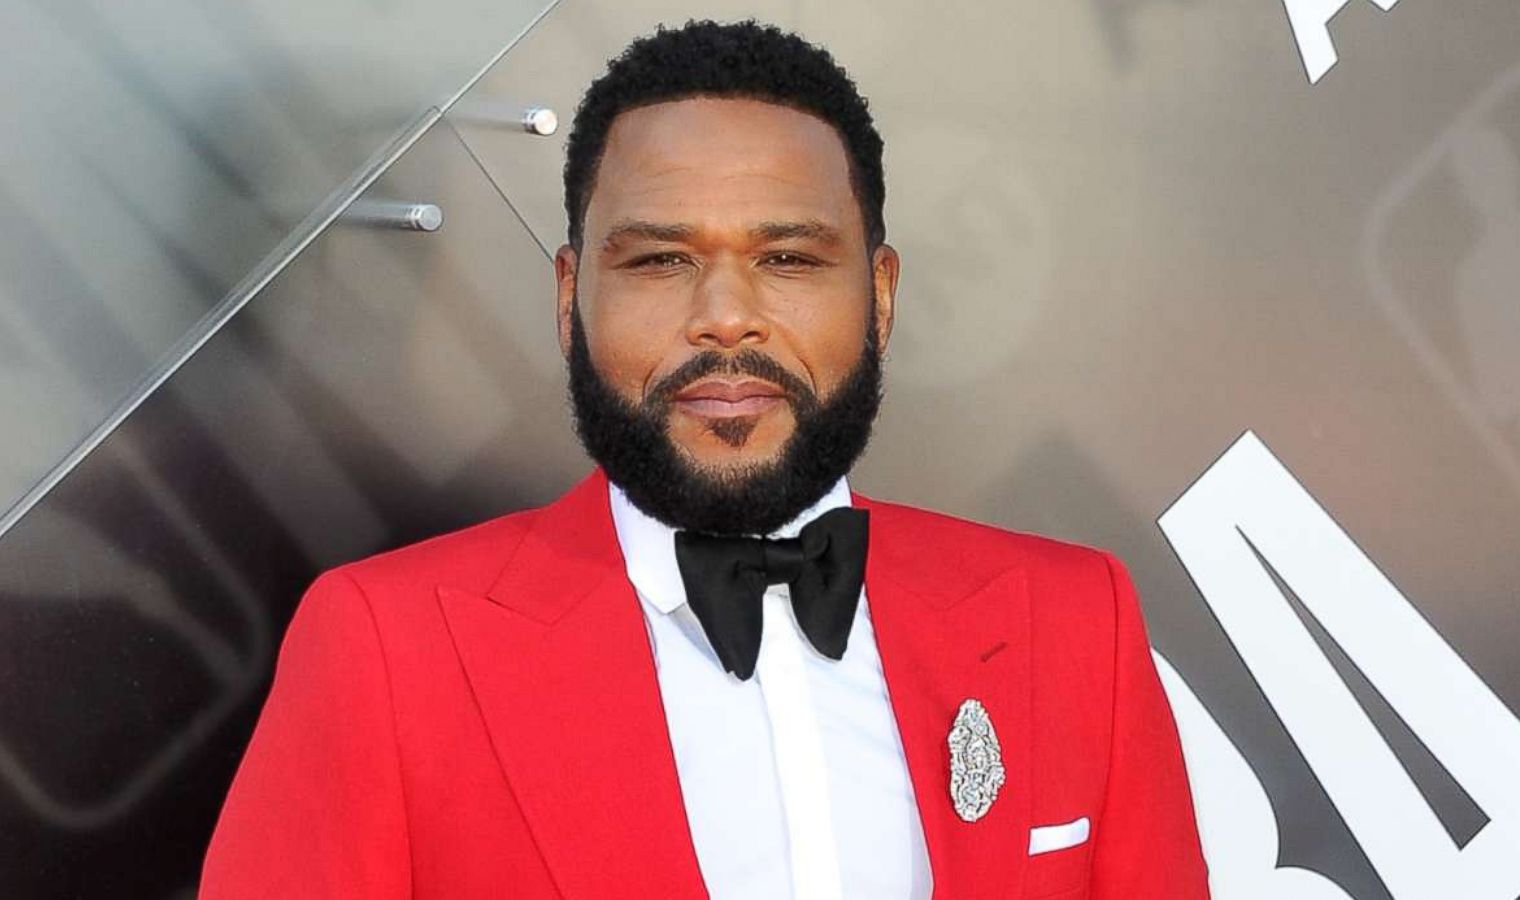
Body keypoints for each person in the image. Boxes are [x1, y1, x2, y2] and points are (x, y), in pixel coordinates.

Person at [200, 19, 1208, 899]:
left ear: (882, 293)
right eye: (660, 260)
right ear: (568, 297)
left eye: (788, 258)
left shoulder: (1074, 623)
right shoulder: (386, 648)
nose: (726, 316)